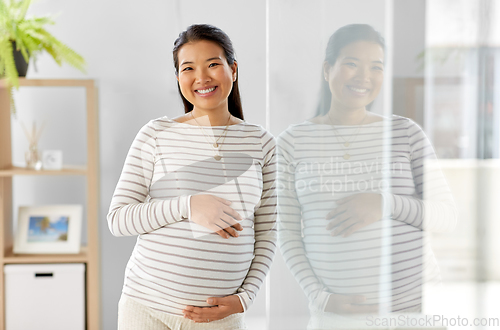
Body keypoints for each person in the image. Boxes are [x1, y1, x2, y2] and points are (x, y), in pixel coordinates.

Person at [276, 24, 458, 329]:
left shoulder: (405, 133)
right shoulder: (291, 142)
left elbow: (447, 217)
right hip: (336, 316)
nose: (364, 77)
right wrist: (319, 297)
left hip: (414, 312)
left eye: (376, 67)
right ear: (327, 69)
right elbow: (288, 235)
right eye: (351, 64)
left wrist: (384, 204)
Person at [108, 24, 277, 329]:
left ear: (233, 69)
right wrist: (188, 206)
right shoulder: (156, 134)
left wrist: (246, 297)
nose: (202, 77)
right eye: (189, 68)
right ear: (178, 78)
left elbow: (267, 231)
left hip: (218, 317)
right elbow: (118, 219)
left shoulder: (261, 142)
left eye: (213, 64)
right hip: (145, 308)